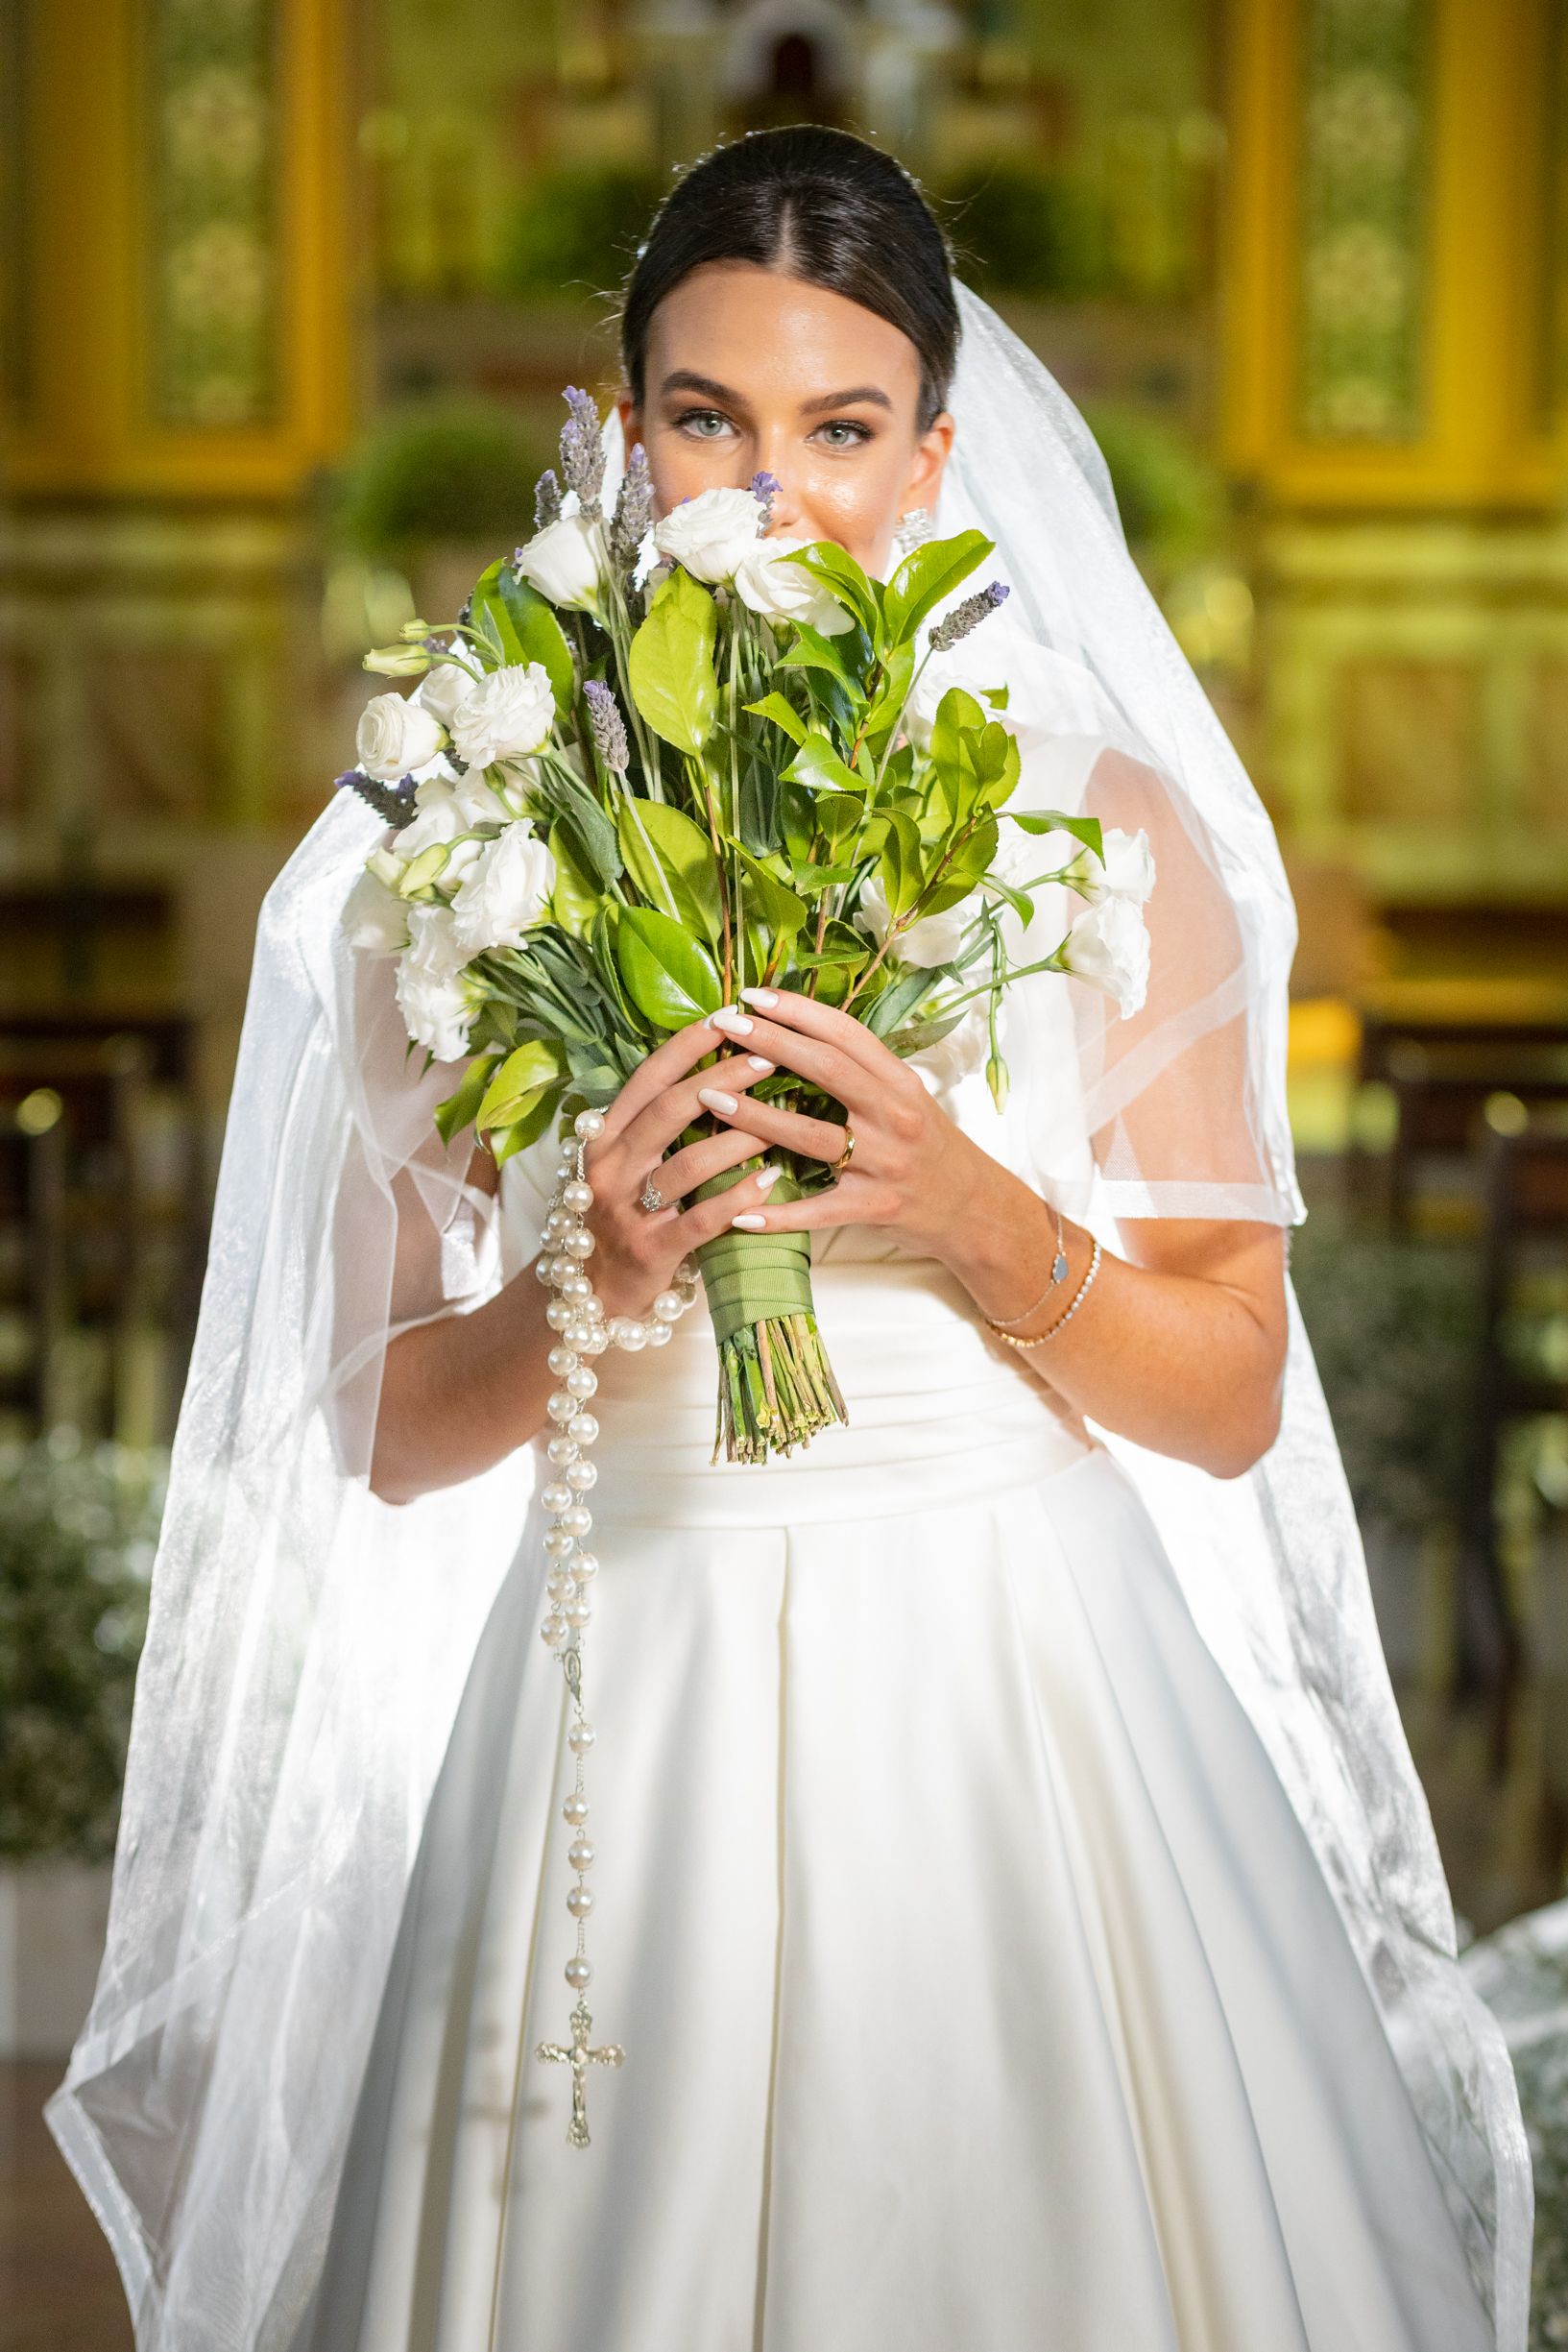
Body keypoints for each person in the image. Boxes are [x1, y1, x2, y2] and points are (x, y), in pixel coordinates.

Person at [46, 128, 1531, 2352]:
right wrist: (599, 1283)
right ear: (625, 439)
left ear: (935, 456)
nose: (771, 484)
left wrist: (969, 1210)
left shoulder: (1103, 834)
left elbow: (1225, 1393)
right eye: (703, 415)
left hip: (1017, 1704)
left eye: (841, 427)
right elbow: (373, 1423)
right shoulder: (465, 846)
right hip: (610, 1700)